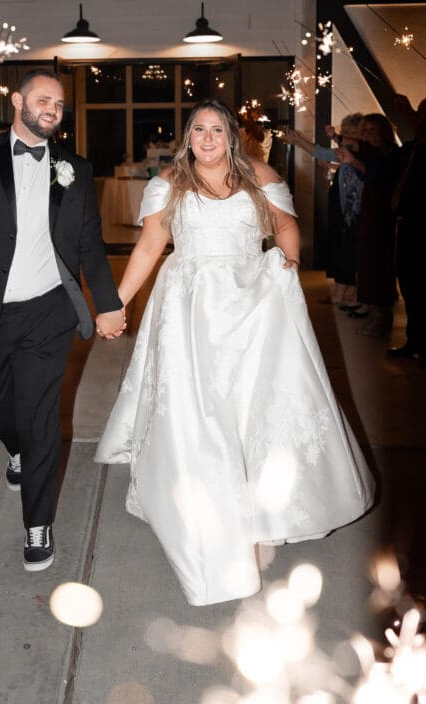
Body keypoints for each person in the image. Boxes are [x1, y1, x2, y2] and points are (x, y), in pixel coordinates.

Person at [96, 100, 374, 607]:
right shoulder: (170, 182)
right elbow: (149, 247)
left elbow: (287, 228)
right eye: (198, 129)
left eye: (216, 129)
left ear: (232, 135)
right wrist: (117, 304)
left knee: (253, 404)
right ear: (187, 136)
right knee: (199, 411)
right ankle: (205, 505)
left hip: (253, 305)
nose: (207, 137)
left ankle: (256, 498)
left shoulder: (260, 175)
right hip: (189, 307)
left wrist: (287, 262)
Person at [0, 68, 125, 573]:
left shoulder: (75, 168)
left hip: (46, 313)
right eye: (43, 100)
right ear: (18, 101)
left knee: (40, 420)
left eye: (58, 103)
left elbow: (88, 247)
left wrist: (108, 302)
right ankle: (13, 447)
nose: (52, 109)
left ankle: (37, 523)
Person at [387, 95, 426, 367]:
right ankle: (414, 341)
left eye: (425, 114)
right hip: (408, 223)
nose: (419, 119)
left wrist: (408, 111)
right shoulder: (415, 147)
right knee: (409, 284)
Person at [286, 114, 363, 308]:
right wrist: (329, 167)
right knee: (344, 249)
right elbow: (333, 160)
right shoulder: (350, 152)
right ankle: (343, 294)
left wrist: (300, 141)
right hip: (345, 209)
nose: (346, 137)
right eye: (344, 132)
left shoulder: (364, 152)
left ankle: (352, 295)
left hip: (356, 212)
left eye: (351, 133)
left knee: (353, 252)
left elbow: (326, 154)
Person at [336, 113, 397, 337]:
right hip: (370, 211)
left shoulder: (389, 154)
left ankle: (381, 318)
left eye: (371, 130)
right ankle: (373, 313)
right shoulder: (373, 153)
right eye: (363, 131)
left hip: (382, 214)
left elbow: (375, 175)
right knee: (367, 262)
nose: (366, 136)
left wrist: (354, 162)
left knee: (378, 265)